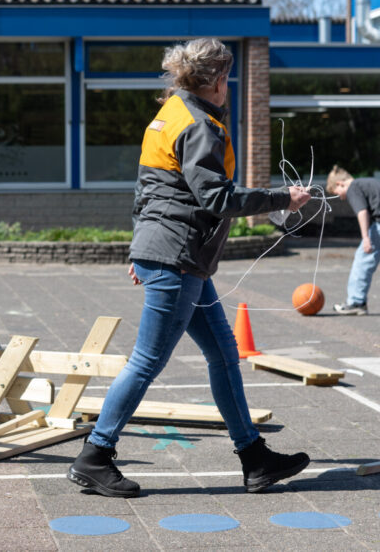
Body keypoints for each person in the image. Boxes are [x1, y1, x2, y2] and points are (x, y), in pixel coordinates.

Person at [67, 38, 313, 498]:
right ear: (217, 80)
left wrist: (140, 250)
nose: (228, 86)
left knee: (223, 353)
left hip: (173, 255)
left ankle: (254, 458)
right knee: (147, 361)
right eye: (227, 79)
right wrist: (282, 198)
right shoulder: (201, 125)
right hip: (178, 257)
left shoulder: (169, 115)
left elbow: (146, 190)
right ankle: (94, 455)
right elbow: (216, 198)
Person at [327, 165, 380, 315]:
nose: (341, 197)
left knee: (362, 260)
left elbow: (362, 212)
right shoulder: (367, 181)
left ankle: (356, 302)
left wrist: (366, 238)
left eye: (337, 193)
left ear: (340, 184)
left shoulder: (353, 187)